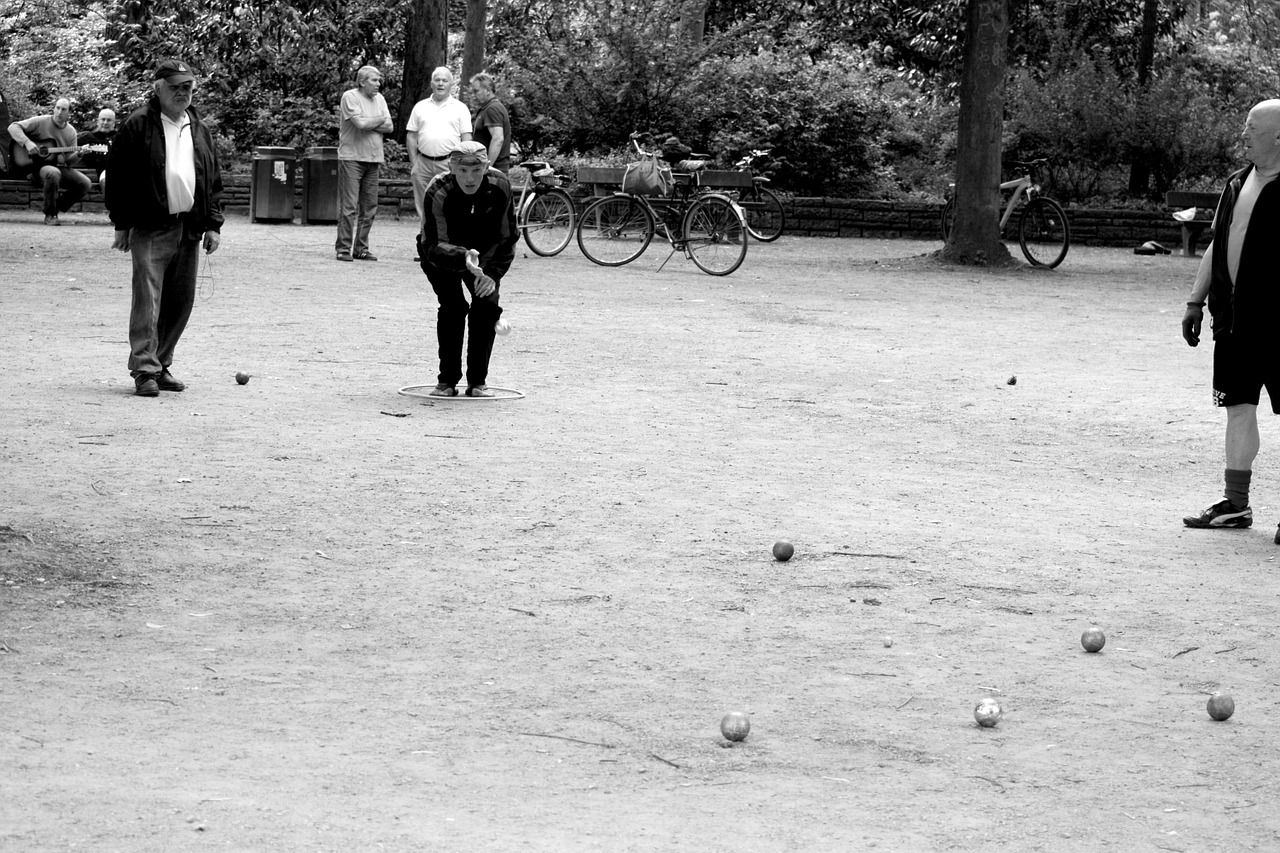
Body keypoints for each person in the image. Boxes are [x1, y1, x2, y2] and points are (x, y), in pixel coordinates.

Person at [1181, 98, 1280, 542]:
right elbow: (1217, 244)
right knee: (1238, 408)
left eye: (1250, 127)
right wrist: (1194, 302)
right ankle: (1235, 506)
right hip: (1235, 322)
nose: (1242, 134)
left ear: (1278, 137)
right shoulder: (1237, 183)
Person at [105, 59, 224, 398]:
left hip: (189, 225)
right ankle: (144, 371)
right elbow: (118, 176)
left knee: (179, 302)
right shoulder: (138, 124)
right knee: (148, 299)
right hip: (150, 224)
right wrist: (121, 223)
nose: (183, 92)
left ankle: (161, 362)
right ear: (158, 88)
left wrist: (213, 224)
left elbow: (212, 179)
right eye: (175, 87)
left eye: (187, 87)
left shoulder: (198, 126)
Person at [415, 141, 517, 398]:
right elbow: (431, 244)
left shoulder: (500, 185)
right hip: (442, 255)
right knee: (453, 307)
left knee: (487, 304)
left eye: (476, 170)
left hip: (483, 258)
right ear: (452, 168)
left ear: (486, 167)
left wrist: (492, 275)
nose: (469, 178)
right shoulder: (437, 189)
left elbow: (508, 238)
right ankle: (447, 380)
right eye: (462, 170)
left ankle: (477, 382)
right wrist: (462, 256)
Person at [335, 65, 393, 262]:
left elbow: (390, 126)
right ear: (361, 81)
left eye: (379, 80)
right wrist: (378, 121)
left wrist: (370, 122)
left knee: (369, 207)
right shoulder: (350, 97)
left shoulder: (381, 99)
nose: (378, 84)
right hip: (351, 158)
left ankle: (361, 248)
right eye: (374, 80)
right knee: (349, 206)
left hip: (374, 159)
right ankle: (343, 248)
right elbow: (360, 124)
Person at [7, 98, 93, 225]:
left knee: (85, 183)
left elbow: (69, 162)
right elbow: (13, 127)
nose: (59, 112)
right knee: (53, 172)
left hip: (58, 168)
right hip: (34, 168)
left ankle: (54, 207)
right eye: (57, 108)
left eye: (63, 109)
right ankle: (50, 215)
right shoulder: (41, 121)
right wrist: (27, 143)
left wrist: (79, 153)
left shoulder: (71, 132)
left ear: (69, 113)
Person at [405, 67, 472, 223]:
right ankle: (427, 237)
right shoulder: (420, 107)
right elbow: (411, 135)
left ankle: (450, 240)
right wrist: (414, 163)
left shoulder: (460, 108)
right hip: (423, 164)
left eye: (445, 80)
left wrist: (461, 163)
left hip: (449, 164)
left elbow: (467, 138)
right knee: (423, 205)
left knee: (452, 202)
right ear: (431, 84)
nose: (441, 83)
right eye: (437, 80)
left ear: (451, 84)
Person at [468, 72, 511, 173]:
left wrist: (486, 167)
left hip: (494, 170)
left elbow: (498, 139)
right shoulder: (486, 108)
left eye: (476, 91)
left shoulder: (493, 108)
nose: (473, 95)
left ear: (488, 90)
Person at [76, 108, 117, 191]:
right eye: (103, 119)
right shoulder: (87, 137)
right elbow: (68, 141)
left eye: (109, 120)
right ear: (98, 121)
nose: (105, 123)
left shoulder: (120, 137)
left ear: (114, 123)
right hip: (103, 174)